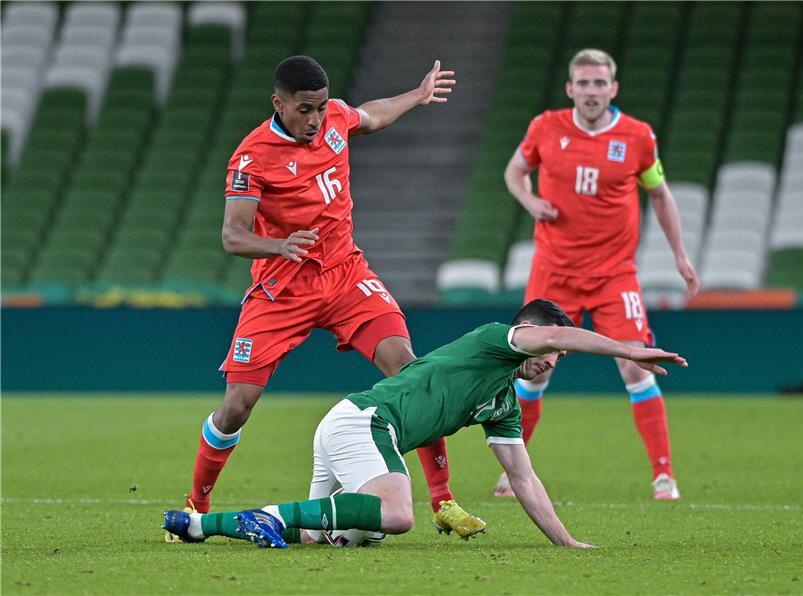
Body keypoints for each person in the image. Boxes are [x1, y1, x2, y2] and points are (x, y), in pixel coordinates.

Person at [168, 55, 483, 541]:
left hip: (344, 275)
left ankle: (443, 501)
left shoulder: (334, 117)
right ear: (279, 104)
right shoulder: (252, 156)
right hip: (283, 287)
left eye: (319, 108)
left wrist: (417, 96)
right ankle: (196, 504)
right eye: (304, 110)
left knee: (412, 372)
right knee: (237, 405)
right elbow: (232, 235)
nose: (315, 119)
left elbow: (371, 115)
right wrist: (279, 244)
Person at [163, 299, 687, 548]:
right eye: (549, 347)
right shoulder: (493, 339)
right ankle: (269, 515)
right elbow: (563, 338)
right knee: (397, 515)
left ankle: (196, 525)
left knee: (336, 539)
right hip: (365, 423)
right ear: (526, 333)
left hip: (352, 428)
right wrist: (629, 350)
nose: (552, 360)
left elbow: (524, 478)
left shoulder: (502, 402)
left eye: (558, 357)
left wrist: (565, 542)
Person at [499, 49, 700, 500]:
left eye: (599, 83)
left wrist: (680, 256)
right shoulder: (545, 127)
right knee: (534, 371)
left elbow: (661, 196)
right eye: (583, 84)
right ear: (570, 89)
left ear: (613, 88)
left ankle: (663, 474)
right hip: (554, 272)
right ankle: (514, 475)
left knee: (635, 364)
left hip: (614, 275)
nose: (592, 91)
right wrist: (529, 201)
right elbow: (514, 172)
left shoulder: (637, 137)